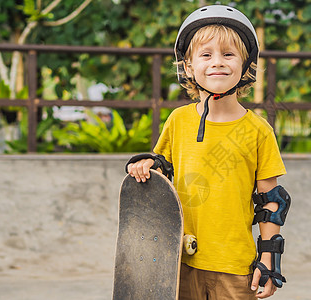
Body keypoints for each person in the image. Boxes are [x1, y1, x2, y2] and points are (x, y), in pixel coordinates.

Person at [125, 5, 292, 300]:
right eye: (206, 55)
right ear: (189, 66)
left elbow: (272, 202)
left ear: (245, 66)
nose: (218, 63)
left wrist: (268, 262)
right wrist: (145, 165)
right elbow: (162, 171)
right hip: (178, 263)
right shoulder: (178, 120)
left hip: (235, 267)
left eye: (228, 55)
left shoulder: (257, 129)